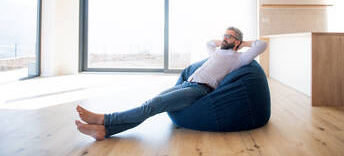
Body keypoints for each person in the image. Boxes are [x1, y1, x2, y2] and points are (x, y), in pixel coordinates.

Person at [75, 26, 267, 140]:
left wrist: (243, 43)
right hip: (187, 84)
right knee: (151, 104)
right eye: (224, 35)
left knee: (153, 105)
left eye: (229, 36)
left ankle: (105, 119)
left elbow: (262, 45)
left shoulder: (239, 58)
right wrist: (226, 39)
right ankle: (104, 131)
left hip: (200, 90)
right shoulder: (217, 52)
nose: (224, 38)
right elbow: (209, 42)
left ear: (237, 42)